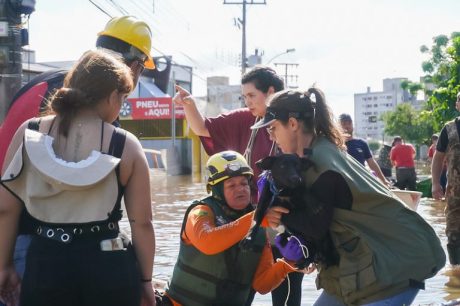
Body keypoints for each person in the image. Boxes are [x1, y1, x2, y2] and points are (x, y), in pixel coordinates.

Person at [0, 16, 156, 304]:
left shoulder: (29, 132)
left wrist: (4, 265)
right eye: (122, 100)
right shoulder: (126, 145)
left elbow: (5, 209)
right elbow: (142, 223)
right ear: (112, 96)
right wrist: (145, 281)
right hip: (108, 265)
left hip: (45, 261)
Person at [251, 88, 445, 306]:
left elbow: (315, 227)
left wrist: (280, 216)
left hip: (398, 260)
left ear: (293, 124)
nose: (271, 137)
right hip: (373, 257)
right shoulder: (319, 149)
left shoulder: (321, 164)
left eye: (273, 128)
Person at [174, 66, 304, 306]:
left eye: (251, 95)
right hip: (254, 220)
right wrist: (189, 104)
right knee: (242, 281)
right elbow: (203, 128)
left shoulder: (297, 125)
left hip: (289, 220)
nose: (247, 101)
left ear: (271, 92)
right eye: (244, 97)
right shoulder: (246, 119)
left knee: (287, 289)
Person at [165, 151, 305, 306]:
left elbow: (262, 285)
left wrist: (288, 263)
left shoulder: (258, 229)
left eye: (244, 184)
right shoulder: (200, 212)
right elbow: (208, 242)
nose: (241, 189)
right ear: (216, 189)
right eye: (231, 185)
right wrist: (257, 217)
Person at [432, 92, 460, 265]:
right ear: (457, 105)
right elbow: (438, 157)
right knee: (454, 232)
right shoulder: (449, 129)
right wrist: (435, 183)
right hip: (455, 193)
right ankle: (455, 272)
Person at [338, 113, 389, 186]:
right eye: (344, 124)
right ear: (338, 127)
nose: (347, 126)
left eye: (349, 123)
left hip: (360, 183)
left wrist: (383, 180)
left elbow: (372, 163)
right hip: (343, 183)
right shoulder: (335, 144)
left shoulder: (362, 143)